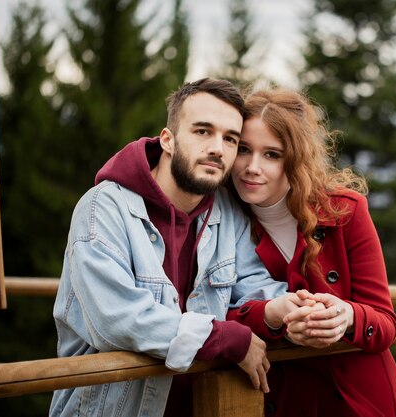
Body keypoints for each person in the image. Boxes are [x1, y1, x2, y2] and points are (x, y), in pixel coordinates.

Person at [50, 78, 302, 417]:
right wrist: (223, 338)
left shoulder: (227, 212)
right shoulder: (102, 209)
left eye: (230, 138)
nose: (218, 148)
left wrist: (294, 308)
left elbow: (253, 288)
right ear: (167, 140)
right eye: (202, 132)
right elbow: (116, 319)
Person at [226, 88, 396, 417]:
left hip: (360, 398)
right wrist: (273, 314)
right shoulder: (220, 219)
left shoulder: (345, 211)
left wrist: (347, 316)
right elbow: (210, 313)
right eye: (244, 149)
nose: (251, 167)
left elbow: (385, 323)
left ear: (295, 157)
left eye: (272, 154)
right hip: (286, 399)